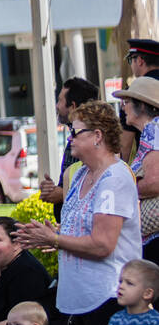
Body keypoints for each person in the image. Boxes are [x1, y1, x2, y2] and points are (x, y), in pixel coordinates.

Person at [16, 100, 141, 325]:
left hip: (108, 295)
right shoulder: (82, 173)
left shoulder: (115, 178)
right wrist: (52, 233)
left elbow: (103, 244)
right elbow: (81, 227)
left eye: (74, 131)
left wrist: (55, 239)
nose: (69, 137)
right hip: (81, 295)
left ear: (97, 136)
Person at [113, 76, 159, 264]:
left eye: (127, 101)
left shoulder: (154, 130)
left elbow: (155, 181)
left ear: (141, 106)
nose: (123, 107)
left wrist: (122, 191)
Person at [40, 77, 98, 223]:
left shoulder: (89, 141)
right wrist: (54, 189)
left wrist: (57, 193)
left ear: (72, 106)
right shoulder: (78, 137)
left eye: (60, 101)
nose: (56, 106)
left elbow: (90, 185)